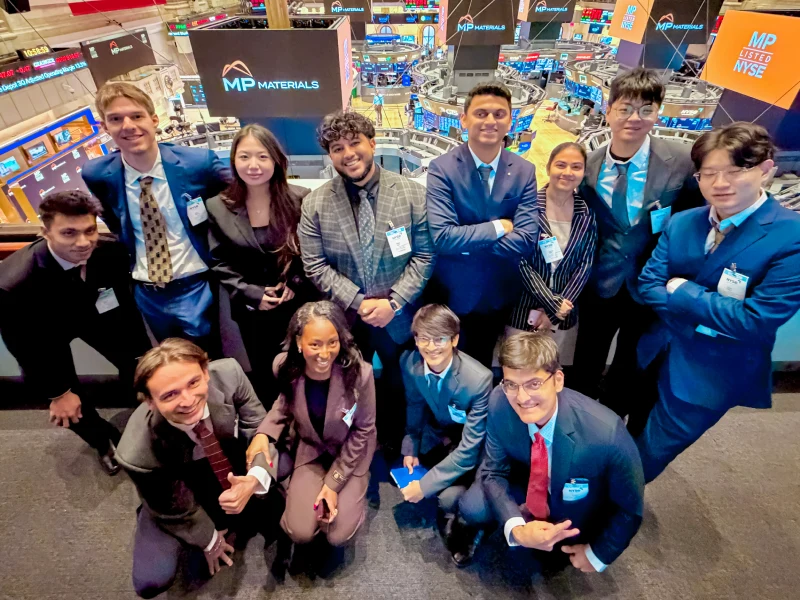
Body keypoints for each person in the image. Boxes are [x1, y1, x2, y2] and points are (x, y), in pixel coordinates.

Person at [635, 123, 800, 483]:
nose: (720, 183)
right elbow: (648, 285)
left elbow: (755, 320)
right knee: (629, 430)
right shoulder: (684, 222)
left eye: (734, 171)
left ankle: (608, 507)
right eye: (708, 173)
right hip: (655, 350)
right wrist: (707, 309)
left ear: (765, 170)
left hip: (711, 372)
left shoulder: (791, 236)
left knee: (648, 454)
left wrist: (682, 291)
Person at [298, 111, 434, 490]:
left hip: (398, 316)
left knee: (399, 384)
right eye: (337, 148)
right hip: (346, 320)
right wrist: (359, 302)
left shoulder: (411, 194)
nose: (348, 154)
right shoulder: (316, 203)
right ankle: (350, 449)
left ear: (373, 143)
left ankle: (395, 444)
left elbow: (425, 256)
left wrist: (394, 302)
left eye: (355, 142)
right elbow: (314, 265)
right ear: (330, 155)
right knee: (347, 384)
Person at [571, 67, 704, 434]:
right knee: (588, 356)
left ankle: (614, 425)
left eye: (646, 109)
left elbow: (695, 221)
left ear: (658, 112)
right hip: (600, 281)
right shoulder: (589, 166)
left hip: (650, 283)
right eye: (626, 108)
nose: (635, 118)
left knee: (632, 360)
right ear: (609, 110)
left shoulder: (681, 161)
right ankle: (580, 423)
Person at [458, 333, 644, 573]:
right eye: (511, 384)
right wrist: (517, 529)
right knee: (473, 507)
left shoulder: (607, 433)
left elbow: (630, 507)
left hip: (576, 513)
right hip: (526, 481)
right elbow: (493, 471)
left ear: (557, 380)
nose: (521, 397)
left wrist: (598, 554)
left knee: (553, 565)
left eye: (533, 384)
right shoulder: (499, 402)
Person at [0, 191, 150, 475]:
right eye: (69, 233)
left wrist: (139, 353)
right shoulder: (12, 285)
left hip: (98, 314)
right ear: (45, 232)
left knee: (140, 365)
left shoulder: (110, 251)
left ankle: (145, 419)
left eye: (89, 230)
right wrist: (59, 393)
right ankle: (102, 441)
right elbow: (24, 347)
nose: (83, 242)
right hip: (45, 335)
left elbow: (124, 304)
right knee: (69, 404)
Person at [117, 339, 277, 598]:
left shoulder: (229, 374)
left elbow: (259, 429)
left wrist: (253, 481)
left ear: (205, 372)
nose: (188, 400)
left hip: (227, 461)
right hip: (174, 489)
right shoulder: (135, 453)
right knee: (151, 579)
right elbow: (173, 505)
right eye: (170, 395)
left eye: (193, 383)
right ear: (150, 401)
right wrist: (209, 540)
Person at [82, 82, 230, 352]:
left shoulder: (198, 164)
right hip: (146, 292)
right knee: (165, 362)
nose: (128, 126)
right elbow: (113, 220)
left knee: (206, 359)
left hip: (197, 285)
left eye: (136, 116)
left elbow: (239, 196)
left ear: (153, 119)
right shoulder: (97, 174)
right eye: (116, 119)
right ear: (104, 127)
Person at [246, 301, 376, 554]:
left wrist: (333, 484)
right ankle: (301, 492)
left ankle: (355, 487)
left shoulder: (360, 374)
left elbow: (364, 430)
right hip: (312, 448)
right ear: (299, 342)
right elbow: (283, 404)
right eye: (315, 344)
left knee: (337, 534)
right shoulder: (284, 367)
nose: (324, 354)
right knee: (300, 532)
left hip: (351, 452)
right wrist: (263, 433)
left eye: (332, 342)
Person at [426, 82, 539, 368]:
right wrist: (500, 227)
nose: (490, 121)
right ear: (464, 119)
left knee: (484, 367)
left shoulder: (524, 171)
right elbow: (443, 238)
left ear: (510, 121)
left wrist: (467, 240)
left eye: (499, 114)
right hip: (453, 292)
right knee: (448, 366)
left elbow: (527, 239)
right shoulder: (442, 168)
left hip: (500, 293)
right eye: (481, 113)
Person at [207, 124, 316, 405]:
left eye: (262, 156)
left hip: (297, 305)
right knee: (265, 372)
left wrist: (295, 283)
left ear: (276, 161)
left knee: (305, 368)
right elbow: (219, 261)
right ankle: (273, 423)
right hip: (252, 310)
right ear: (233, 160)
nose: (253, 165)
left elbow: (312, 251)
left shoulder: (300, 199)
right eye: (244, 157)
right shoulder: (217, 206)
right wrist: (253, 294)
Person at [397, 304, 492, 565]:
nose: (431, 347)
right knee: (426, 476)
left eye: (440, 339)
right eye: (424, 339)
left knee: (448, 499)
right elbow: (414, 404)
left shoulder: (479, 380)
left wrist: (424, 487)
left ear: (454, 340)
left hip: (474, 445)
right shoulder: (410, 364)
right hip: (442, 434)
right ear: (416, 340)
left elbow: (469, 451)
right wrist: (411, 444)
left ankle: (470, 520)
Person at [507, 143, 597, 362]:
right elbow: (519, 261)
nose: (568, 172)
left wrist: (558, 310)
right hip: (524, 310)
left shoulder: (587, 213)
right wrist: (552, 303)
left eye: (576, 167)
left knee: (552, 371)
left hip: (563, 315)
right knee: (517, 368)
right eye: (561, 165)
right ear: (548, 168)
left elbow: (585, 264)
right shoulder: (527, 207)